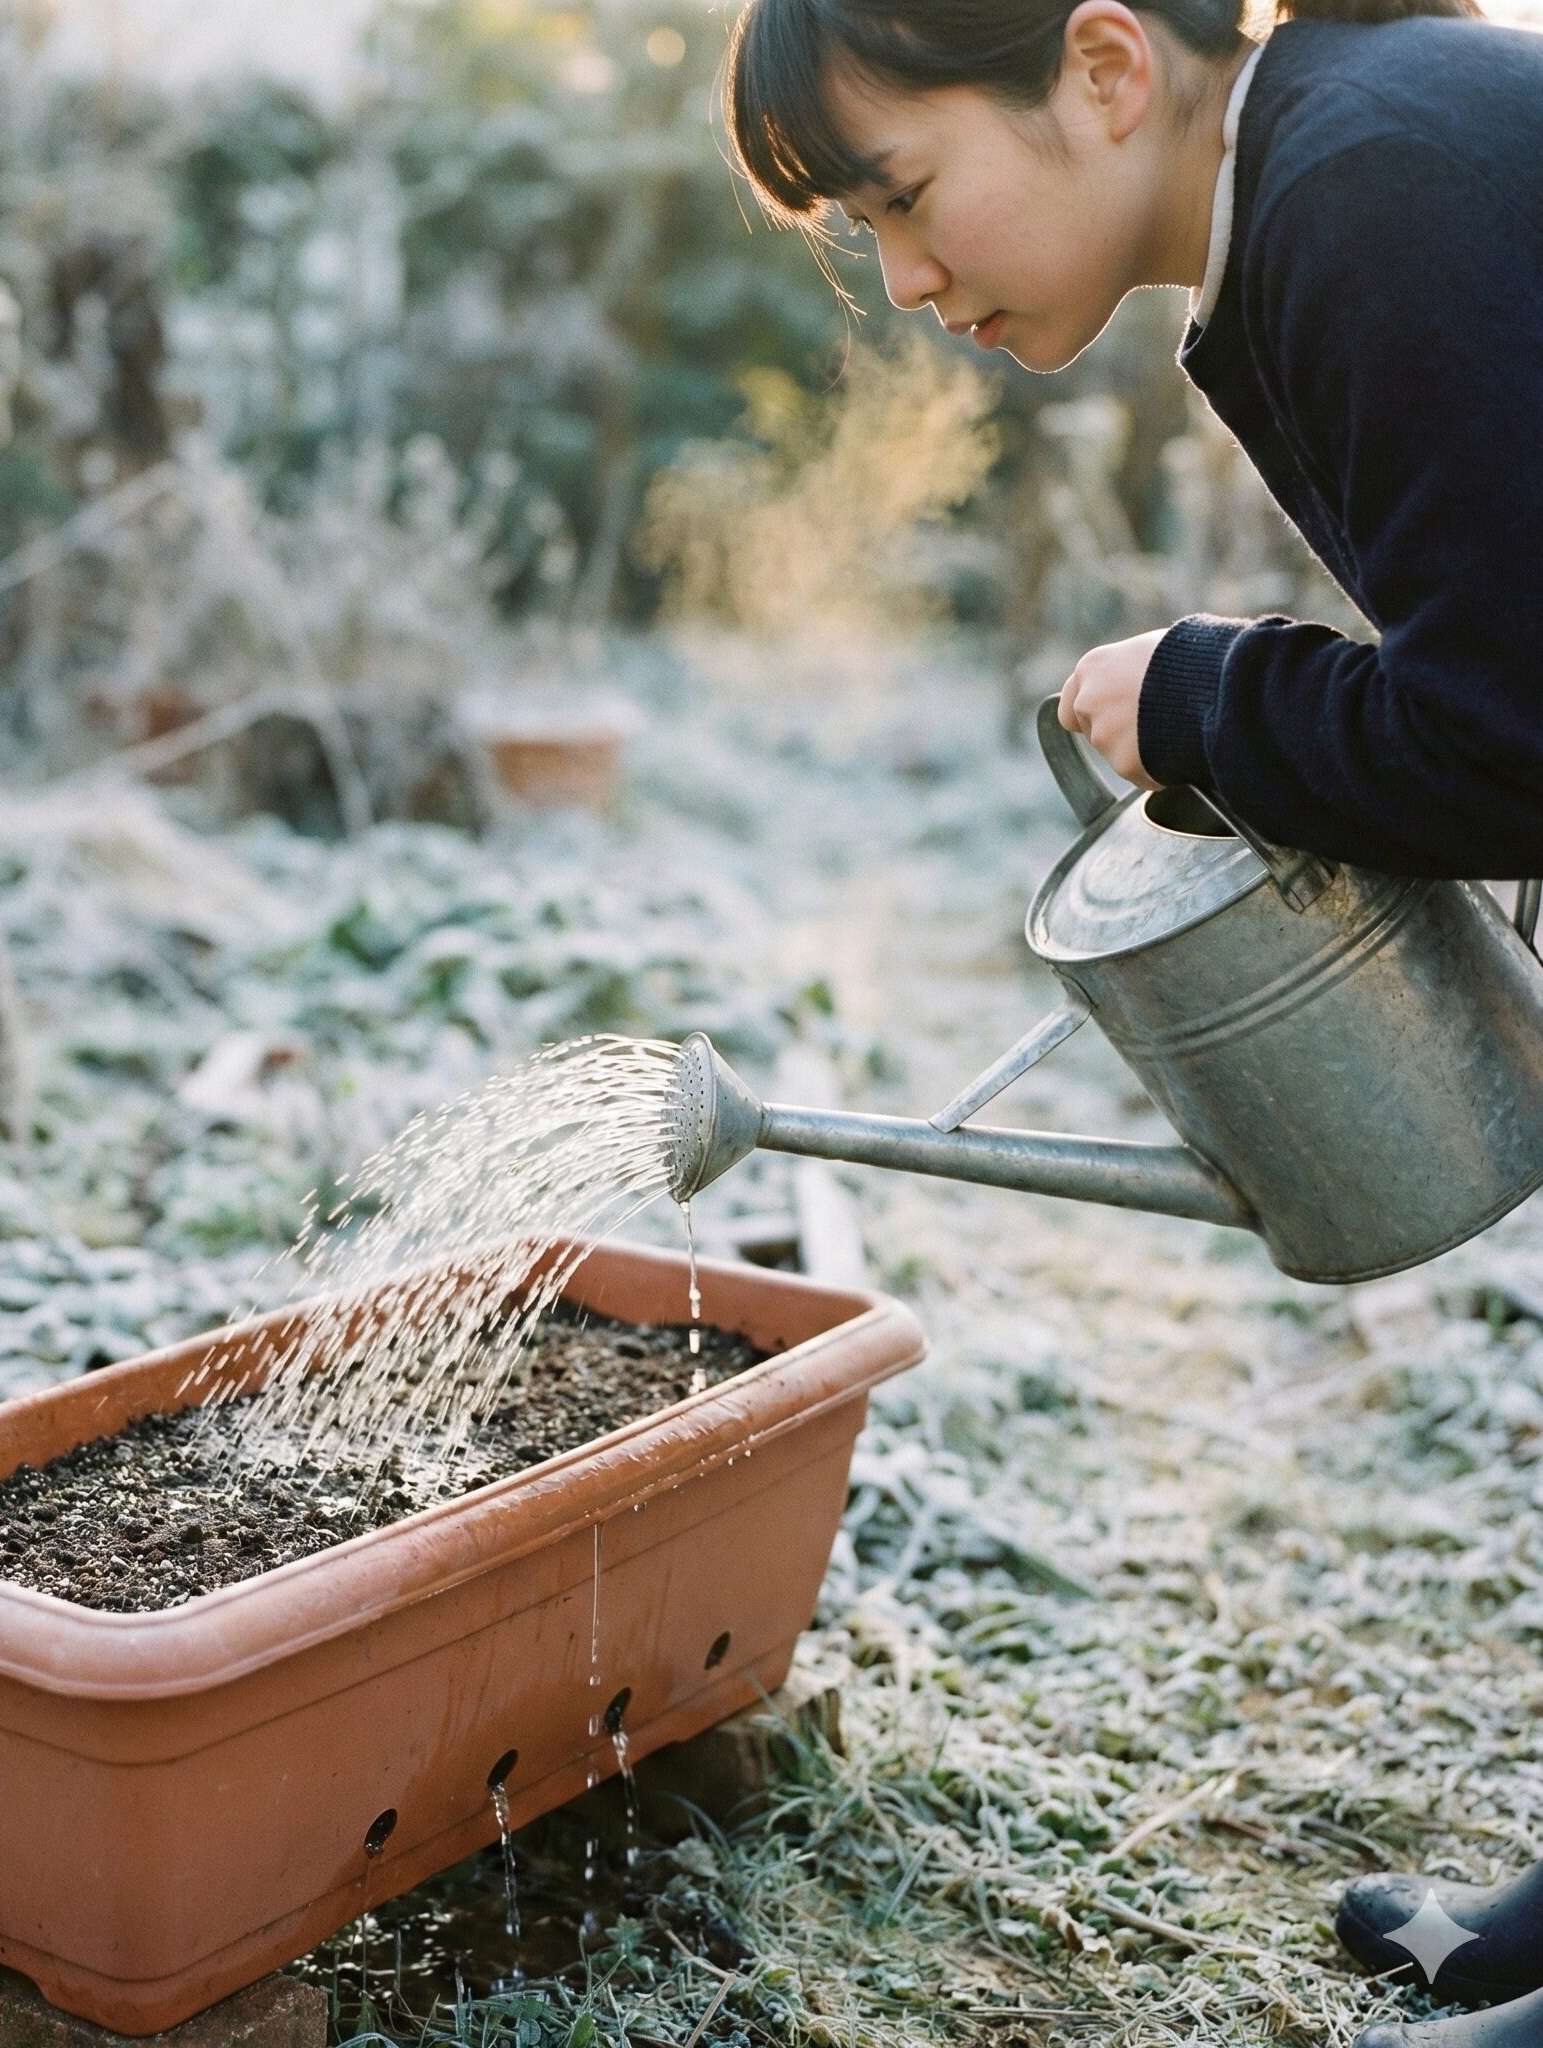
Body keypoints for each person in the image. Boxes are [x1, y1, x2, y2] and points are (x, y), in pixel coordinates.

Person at [721, 0, 1543, 2040]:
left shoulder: (1366, 184)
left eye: (902, 194)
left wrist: (1200, 695)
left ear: (1103, 65)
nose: (905, 283)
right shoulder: (1332, 168)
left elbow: (1509, 734)